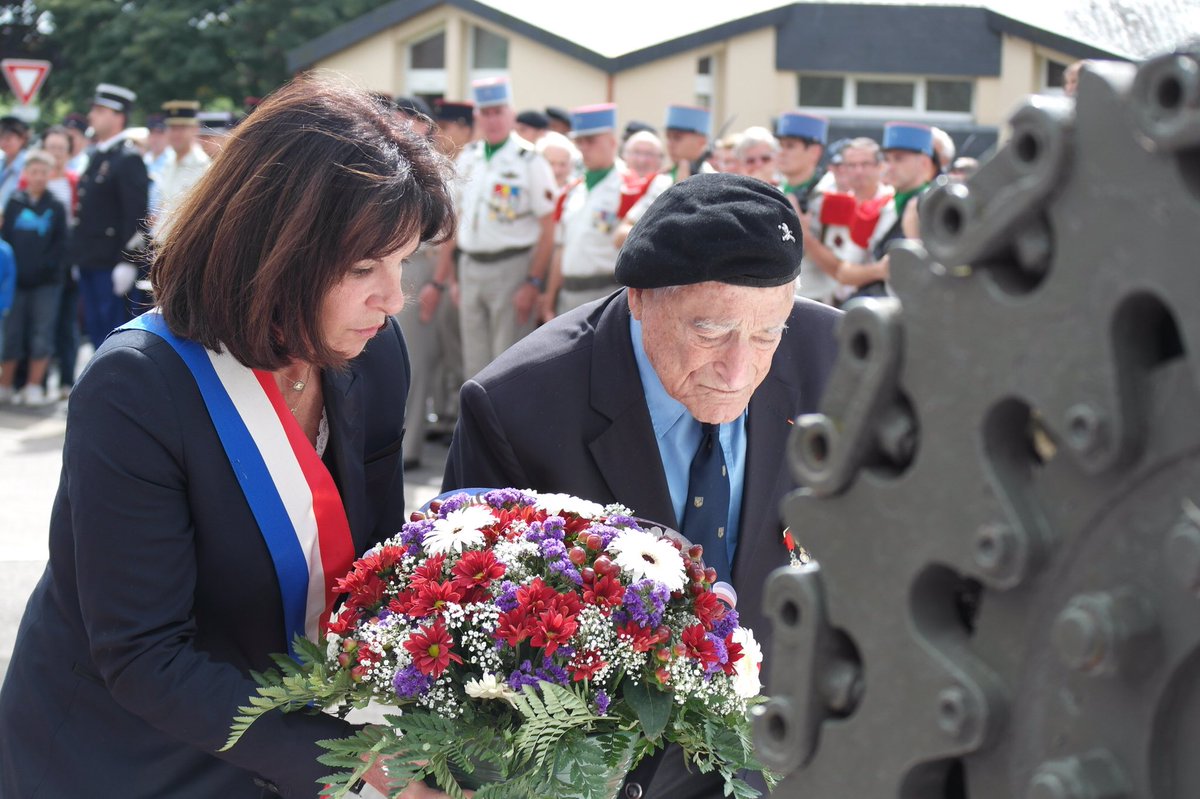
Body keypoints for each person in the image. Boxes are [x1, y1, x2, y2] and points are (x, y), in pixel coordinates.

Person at [0, 76, 458, 798]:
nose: (394, 298)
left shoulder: (373, 351)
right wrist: (355, 765)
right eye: (363, 267)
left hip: (290, 725)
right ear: (274, 251)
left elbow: (374, 558)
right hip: (129, 755)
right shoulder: (136, 384)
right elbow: (144, 654)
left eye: (405, 262)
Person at [443, 172, 841, 799]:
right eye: (709, 331)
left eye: (768, 334)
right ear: (639, 298)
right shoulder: (519, 406)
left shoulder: (839, 359)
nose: (738, 370)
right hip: (606, 767)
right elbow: (471, 631)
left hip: (781, 749)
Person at [435, 76, 557, 381]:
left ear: (511, 114)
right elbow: (456, 219)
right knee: (474, 363)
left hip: (511, 267)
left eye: (498, 112)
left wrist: (533, 281)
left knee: (508, 365)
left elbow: (548, 227)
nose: (492, 120)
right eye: (486, 113)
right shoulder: (470, 157)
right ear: (477, 116)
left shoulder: (530, 160)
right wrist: (454, 276)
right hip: (470, 267)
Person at [543, 103, 668, 318]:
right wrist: (549, 300)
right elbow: (561, 249)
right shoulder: (572, 191)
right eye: (579, 141)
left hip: (606, 292)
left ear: (612, 142)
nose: (584, 147)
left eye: (590, 140)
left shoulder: (632, 188)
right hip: (569, 293)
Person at [70, 83, 150, 350]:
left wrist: (127, 261)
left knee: (111, 338)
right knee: (95, 332)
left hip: (112, 264)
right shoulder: (97, 156)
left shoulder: (128, 158)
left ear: (119, 117)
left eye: (100, 110)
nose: (92, 115)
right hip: (91, 259)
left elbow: (137, 215)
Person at [833, 121, 939, 298]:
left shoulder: (938, 208)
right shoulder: (879, 207)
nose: (890, 166)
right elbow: (844, 273)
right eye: (887, 159)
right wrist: (879, 270)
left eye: (899, 159)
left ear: (924, 163)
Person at [0, 150, 68, 405]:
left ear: (50, 174)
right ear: (26, 174)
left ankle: (34, 385)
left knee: (42, 334)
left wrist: (46, 268)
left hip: (46, 283)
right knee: (12, 333)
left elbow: (62, 244)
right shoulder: (14, 202)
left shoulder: (56, 206)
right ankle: (6, 384)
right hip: (16, 282)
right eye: (34, 172)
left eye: (43, 172)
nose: (38, 177)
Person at [152, 99, 212, 238]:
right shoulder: (169, 163)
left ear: (195, 129)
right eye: (172, 128)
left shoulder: (204, 167)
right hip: (160, 243)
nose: (176, 134)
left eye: (182, 128)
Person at [662, 104, 713, 182]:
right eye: (668, 137)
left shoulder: (712, 179)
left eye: (677, 137)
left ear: (702, 141)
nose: (670, 144)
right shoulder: (660, 178)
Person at [0, 115, 31, 209]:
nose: (3, 142)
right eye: (0, 137)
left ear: (22, 139)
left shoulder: (29, 164)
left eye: (8, 138)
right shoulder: (1, 160)